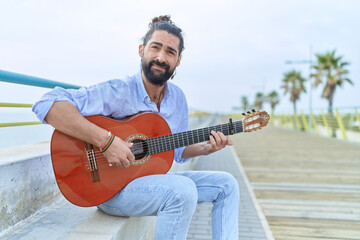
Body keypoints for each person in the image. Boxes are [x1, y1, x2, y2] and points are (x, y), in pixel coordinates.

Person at [33, 15, 239, 240]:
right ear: (142, 50)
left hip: (151, 185)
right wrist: (107, 141)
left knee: (227, 184)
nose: (161, 57)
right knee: (182, 191)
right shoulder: (119, 91)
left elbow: (176, 151)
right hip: (110, 190)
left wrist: (205, 149)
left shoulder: (178, 98)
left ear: (178, 60)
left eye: (170, 52)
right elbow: (46, 104)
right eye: (155, 47)